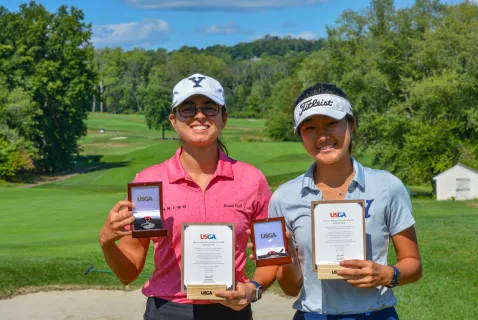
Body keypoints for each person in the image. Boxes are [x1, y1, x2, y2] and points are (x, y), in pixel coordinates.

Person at [99, 74, 276, 320]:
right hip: (168, 310)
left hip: (232, 309)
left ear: (224, 117)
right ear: (174, 120)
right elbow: (128, 272)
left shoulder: (252, 180)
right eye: (188, 109)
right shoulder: (149, 182)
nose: (199, 116)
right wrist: (107, 243)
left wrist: (253, 288)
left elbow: (272, 257)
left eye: (209, 107)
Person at [266, 83, 422, 319]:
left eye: (331, 123)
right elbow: (289, 289)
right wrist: (287, 257)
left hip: (376, 314)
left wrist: (388, 275)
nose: (322, 136)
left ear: (351, 124)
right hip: (313, 315)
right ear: (300, 136)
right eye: (310, 128)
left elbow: (413, 264)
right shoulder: (284, 197)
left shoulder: (388, 186)